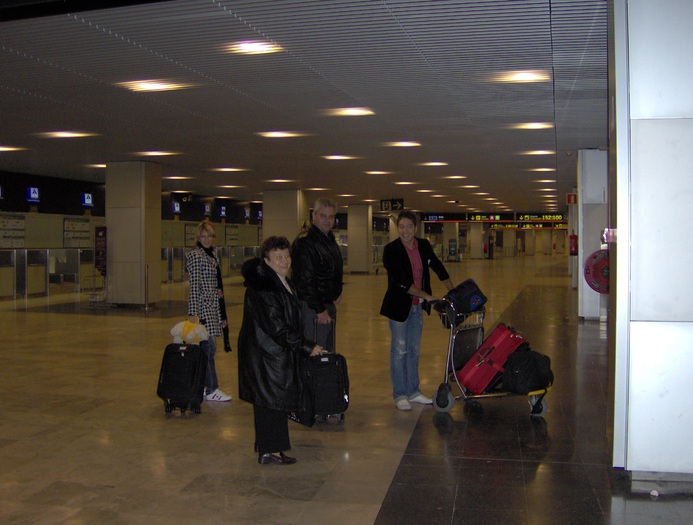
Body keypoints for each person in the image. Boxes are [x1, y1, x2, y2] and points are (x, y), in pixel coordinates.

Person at [238, 236, 323, 465]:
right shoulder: (264, 289)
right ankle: (268, 451)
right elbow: (276, 327)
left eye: (286, 255)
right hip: (266, 355)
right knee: (269, 402)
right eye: (278, 257)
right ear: (266, 260)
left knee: (274, 401)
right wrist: (306, 346)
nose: (284, 261)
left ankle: (272, 448)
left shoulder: (282, 281)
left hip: (275, 353)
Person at [380, 211, 454, 411]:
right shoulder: (391, 250)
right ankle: (400, 394)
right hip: (398, 308)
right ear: (397, 228)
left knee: (413, 350)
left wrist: (453, 291)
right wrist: (428, 297)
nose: (405, 231)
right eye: (401, 227)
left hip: (416, 307)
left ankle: (413, 391)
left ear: (415, 227)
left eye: (409, 227)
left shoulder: (424, 246)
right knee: (399, 351)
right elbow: (402, 283)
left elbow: (438, 267)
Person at [186, 221, 233, 402]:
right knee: (207, 348)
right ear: (197, 238)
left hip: (213, 308)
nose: (206, 239)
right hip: (203, 309)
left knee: (209, 348)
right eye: (203, 236)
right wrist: (193, 314)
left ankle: (206, 386)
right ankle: (211, 388)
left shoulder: (212, 255)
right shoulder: (196, 256)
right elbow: (194, 286)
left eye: (209, 236)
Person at [291, 198, 344, 350]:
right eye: (323, 216)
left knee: (327, 352)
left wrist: (338, 289)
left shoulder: (328, 239)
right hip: (313, 309)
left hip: (327, 305)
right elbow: (304, 281)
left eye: (331, 216)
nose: (328, 220)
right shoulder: (306, 242)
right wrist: (319, 309)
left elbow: (333, 269)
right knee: (316, 351)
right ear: (313, 215)